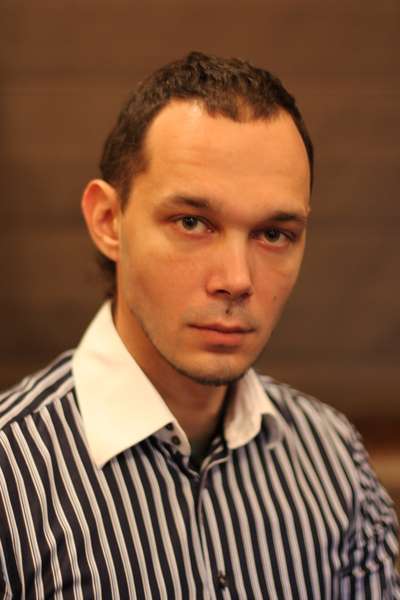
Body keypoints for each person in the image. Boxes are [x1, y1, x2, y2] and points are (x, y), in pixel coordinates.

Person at [0, 51, 398, 599]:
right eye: (192, 222)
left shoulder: (334, 460)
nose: (237, 279)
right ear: (108, 221)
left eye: (274, 234)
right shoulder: (11, 474)